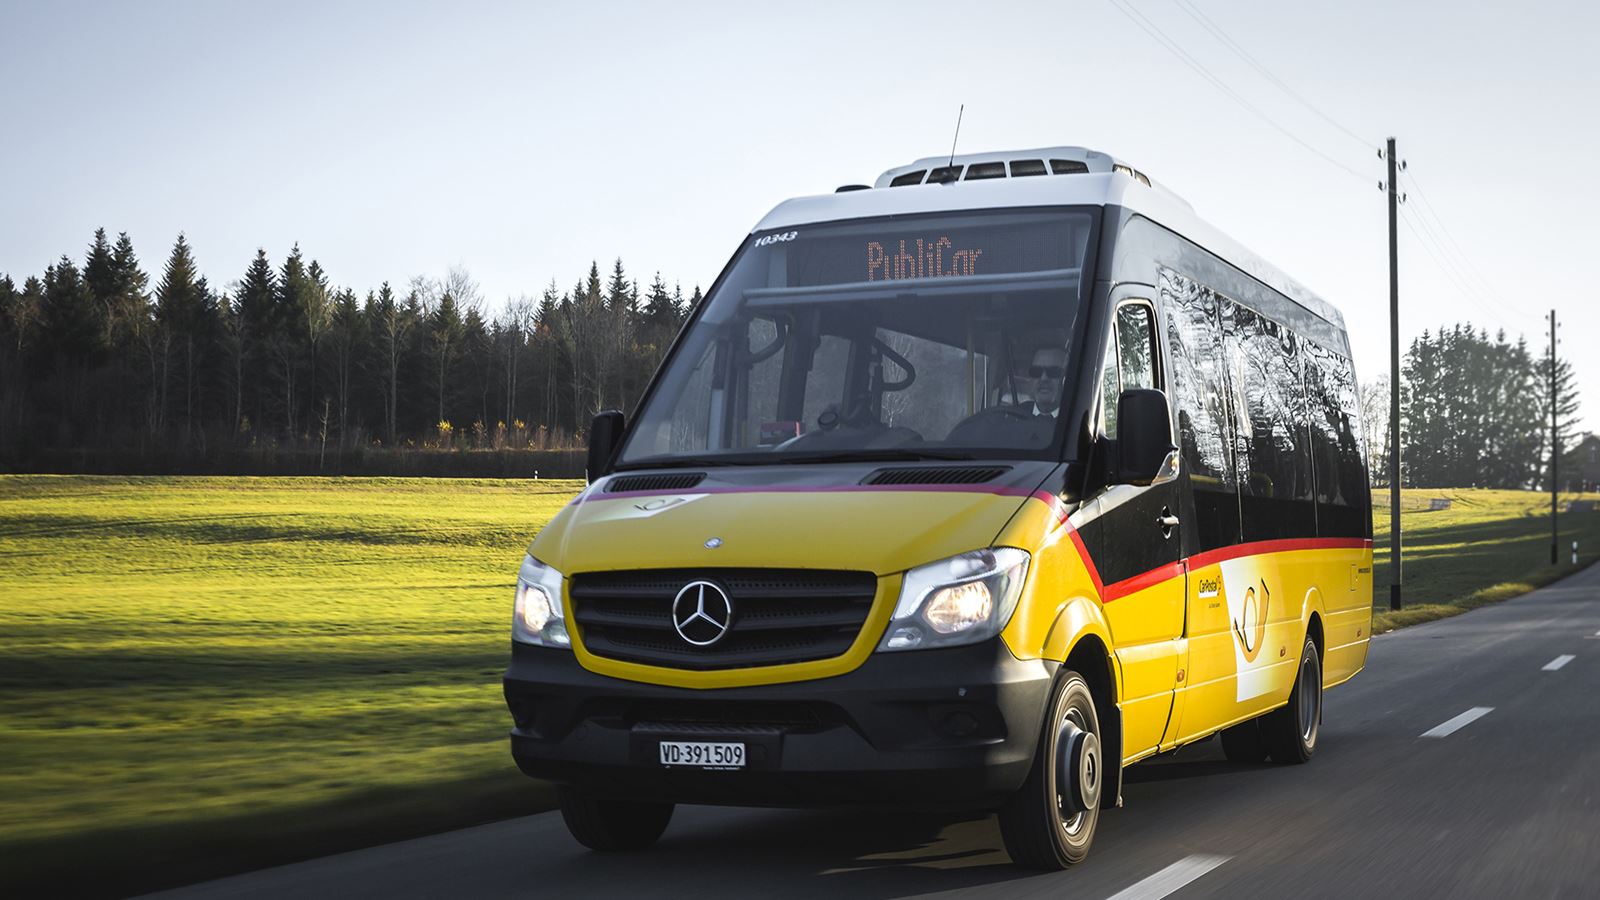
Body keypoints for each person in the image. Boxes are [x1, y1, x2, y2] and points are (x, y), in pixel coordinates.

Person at [1026, 347, 1068, 418]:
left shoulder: (1075, 420)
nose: (1043, 378)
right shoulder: (1015, 415)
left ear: (1066, 377)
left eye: (1053, 372)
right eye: (1036, 371)